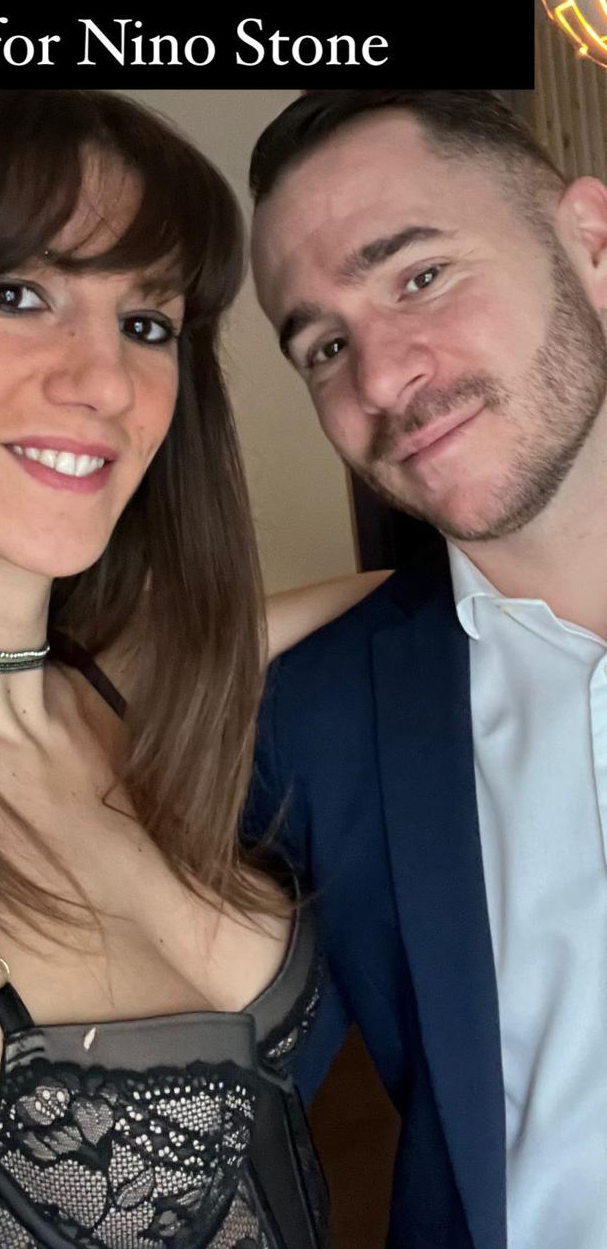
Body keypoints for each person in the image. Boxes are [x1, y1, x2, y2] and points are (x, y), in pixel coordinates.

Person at [0, 88, 381, 1249]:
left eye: (147, 322)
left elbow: (425, 594)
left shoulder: (113, 690)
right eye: (16, 294)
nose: (104, 380)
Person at [246, 88, 607, 1249]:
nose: (379, 379)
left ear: (592, 244)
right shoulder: (310, 721)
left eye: (419, 276)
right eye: (323, 345)